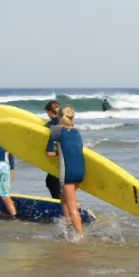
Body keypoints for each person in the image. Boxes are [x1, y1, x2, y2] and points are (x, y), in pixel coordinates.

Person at [46, 105, 86, 239]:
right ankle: (68, 231)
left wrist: (58, 151)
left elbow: (49, 153)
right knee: (64, 201)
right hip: (80, 170)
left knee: (71, 204)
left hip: (67, 171)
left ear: (59, 116)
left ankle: (80, 237)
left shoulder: (56, 130)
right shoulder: (77, 132)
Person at [43, 100, 62, 199]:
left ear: (50, 112)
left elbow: (43, 132)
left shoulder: (53, 123)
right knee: (52, 181)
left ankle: (60, 204)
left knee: (51, 182)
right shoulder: (64, 121)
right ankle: (61, 203)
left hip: (58, 157)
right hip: (63, 156)